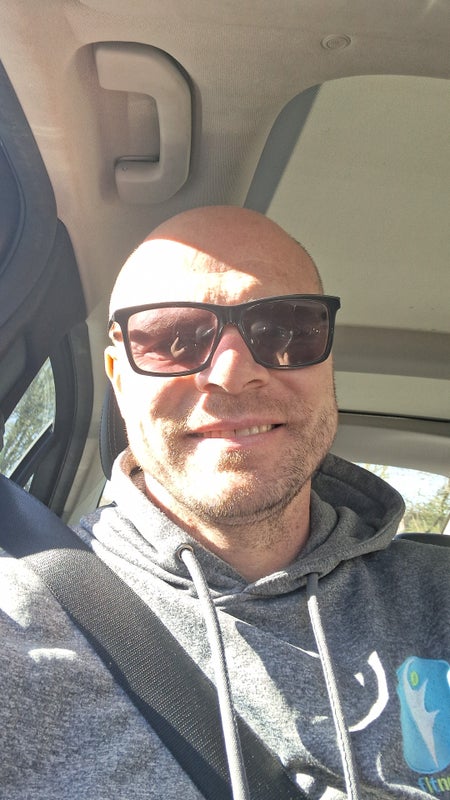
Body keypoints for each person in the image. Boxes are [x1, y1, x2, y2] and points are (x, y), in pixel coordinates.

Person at [1, 205, 449, 800]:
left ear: (328, 359)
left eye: (286, 330)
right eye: (172, 338)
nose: (233, 374)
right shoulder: (19, 624)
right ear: (119, 378)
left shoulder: (439, 594)